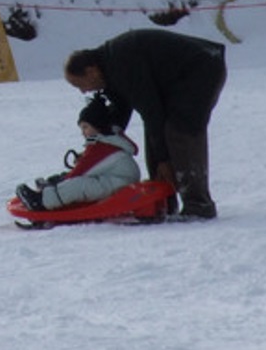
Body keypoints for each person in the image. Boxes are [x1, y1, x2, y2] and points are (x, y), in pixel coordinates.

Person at [63, 28, 227, 219]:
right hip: (175, 79)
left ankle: (199, 206)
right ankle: (163, 201)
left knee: (180, 132)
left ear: (91, 71)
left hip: (201, 68)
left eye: (79, 84)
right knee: (155, 133)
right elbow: (119, 116)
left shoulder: (121, 64)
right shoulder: (109, 69)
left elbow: (152, 111)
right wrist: (97, 147)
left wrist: (164, 160)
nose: (83, 92)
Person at [14, 92, 143, 212]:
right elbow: (91, 161)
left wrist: (64, 182)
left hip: (120, 185)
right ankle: (53, 188)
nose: (83, 132)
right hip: (118, 180)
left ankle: (41, 202)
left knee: (78, 185)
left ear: (98, 126)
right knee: (79, 179)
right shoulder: (106, 139)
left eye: (85, 127)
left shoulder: (102, 147)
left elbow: (81, 171)